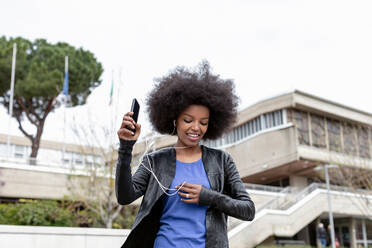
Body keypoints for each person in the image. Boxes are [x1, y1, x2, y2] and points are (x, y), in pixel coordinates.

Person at [116, 62, 255, 248]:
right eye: (188, 120)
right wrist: (126, 147)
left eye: (203, 122)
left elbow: (248, 210)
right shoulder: (155, 161)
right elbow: (125, 197)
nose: (196, 128)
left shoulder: (221, 161)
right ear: (174, 120)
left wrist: (209, 196)